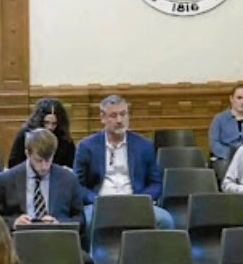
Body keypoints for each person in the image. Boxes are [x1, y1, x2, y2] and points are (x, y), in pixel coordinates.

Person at [0, 128, 94, 264]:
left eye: (49, 160)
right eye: (39, 160)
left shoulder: (68, 178)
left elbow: (79, 218)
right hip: (19, 242)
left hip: (58, 240)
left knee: (87, 262)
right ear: (27, 153)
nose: (44, 166)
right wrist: (13, 222)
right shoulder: (7, 179)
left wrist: (59, 224)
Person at [73, 95, 174, 229]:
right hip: (100, 204)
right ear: (103, 118)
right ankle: (93, 251)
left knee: (165, 219)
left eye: (123, 114)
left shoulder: (144, 145)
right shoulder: (86, 146)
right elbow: (77, 185)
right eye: (113, 115)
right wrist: (95, 199)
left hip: (134, 202)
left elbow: (156, 183)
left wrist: (140, 200)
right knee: (88, 221)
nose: (119, 120)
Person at [8, 97, 76, 168]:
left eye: (54, 124)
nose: (50, 127)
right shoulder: (25, 134)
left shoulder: (63, 137)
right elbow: (14, 163)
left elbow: (71, 164)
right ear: (39, 120)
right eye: (46, 122)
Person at [208, 84, 243, 161]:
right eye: (239, 98)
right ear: (231, 99)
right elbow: (214, 144)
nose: (242, 102)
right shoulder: (219, 119)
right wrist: (231, 154)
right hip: (225, 158)